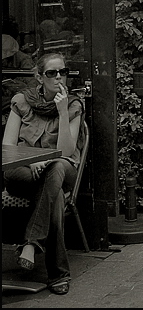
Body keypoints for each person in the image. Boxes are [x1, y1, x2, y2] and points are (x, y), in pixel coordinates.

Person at [2, 52, 84, 295]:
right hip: (24, 173)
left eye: (63, 72)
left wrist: (61, 111)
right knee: (54, 197)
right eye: (52, 73)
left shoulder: (72, 105)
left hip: (61, 168)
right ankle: (58, 274)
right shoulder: (21, 102)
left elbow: (66, 151)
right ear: (39, 77)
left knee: (56, 168)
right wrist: (30, 162)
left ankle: (32, 243)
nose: (59, 77)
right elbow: (7, 148)